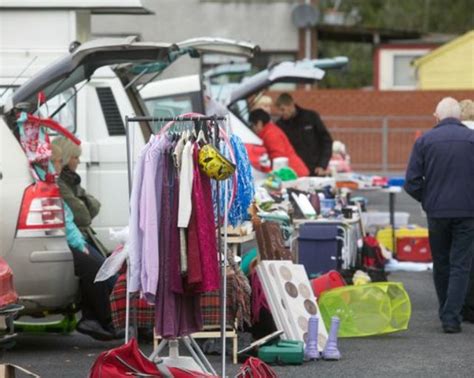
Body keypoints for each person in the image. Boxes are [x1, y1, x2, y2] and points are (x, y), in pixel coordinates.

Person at [404, 97, 474, 334]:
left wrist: (428, 199)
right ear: (460, 117)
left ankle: (446, 311)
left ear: (437, 116)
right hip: (468, 211)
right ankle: (451, 316)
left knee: (441, 262)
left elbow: (412, 182)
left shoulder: (425, 141)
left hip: (437, 212)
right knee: (461, 264)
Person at [51, 139, 119, 341]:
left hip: (73, 236)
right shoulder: (60, 183)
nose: (78, 161)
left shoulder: (66, 181)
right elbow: (81, 215)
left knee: (104, 268)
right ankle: (103, 320)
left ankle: (100, 319)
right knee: (98, 268)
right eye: (75, 157)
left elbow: (90, 208)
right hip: (69, 238)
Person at [276, 93, 333, 176]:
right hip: (293, 172)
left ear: (291, 105)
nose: (281, 113)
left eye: (283, 109)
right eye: (279, 110)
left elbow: (326, 141)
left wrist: (322, 165)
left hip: (315, 170)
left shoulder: (311, 117)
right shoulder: (280, 125)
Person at [249, 108, 309, 177]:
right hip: (293, 171)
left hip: (292, 173)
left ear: (259, 123)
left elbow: (278, 158)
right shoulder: (269, 131)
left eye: (252, 125)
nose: (252, 129)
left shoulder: (270, 134)